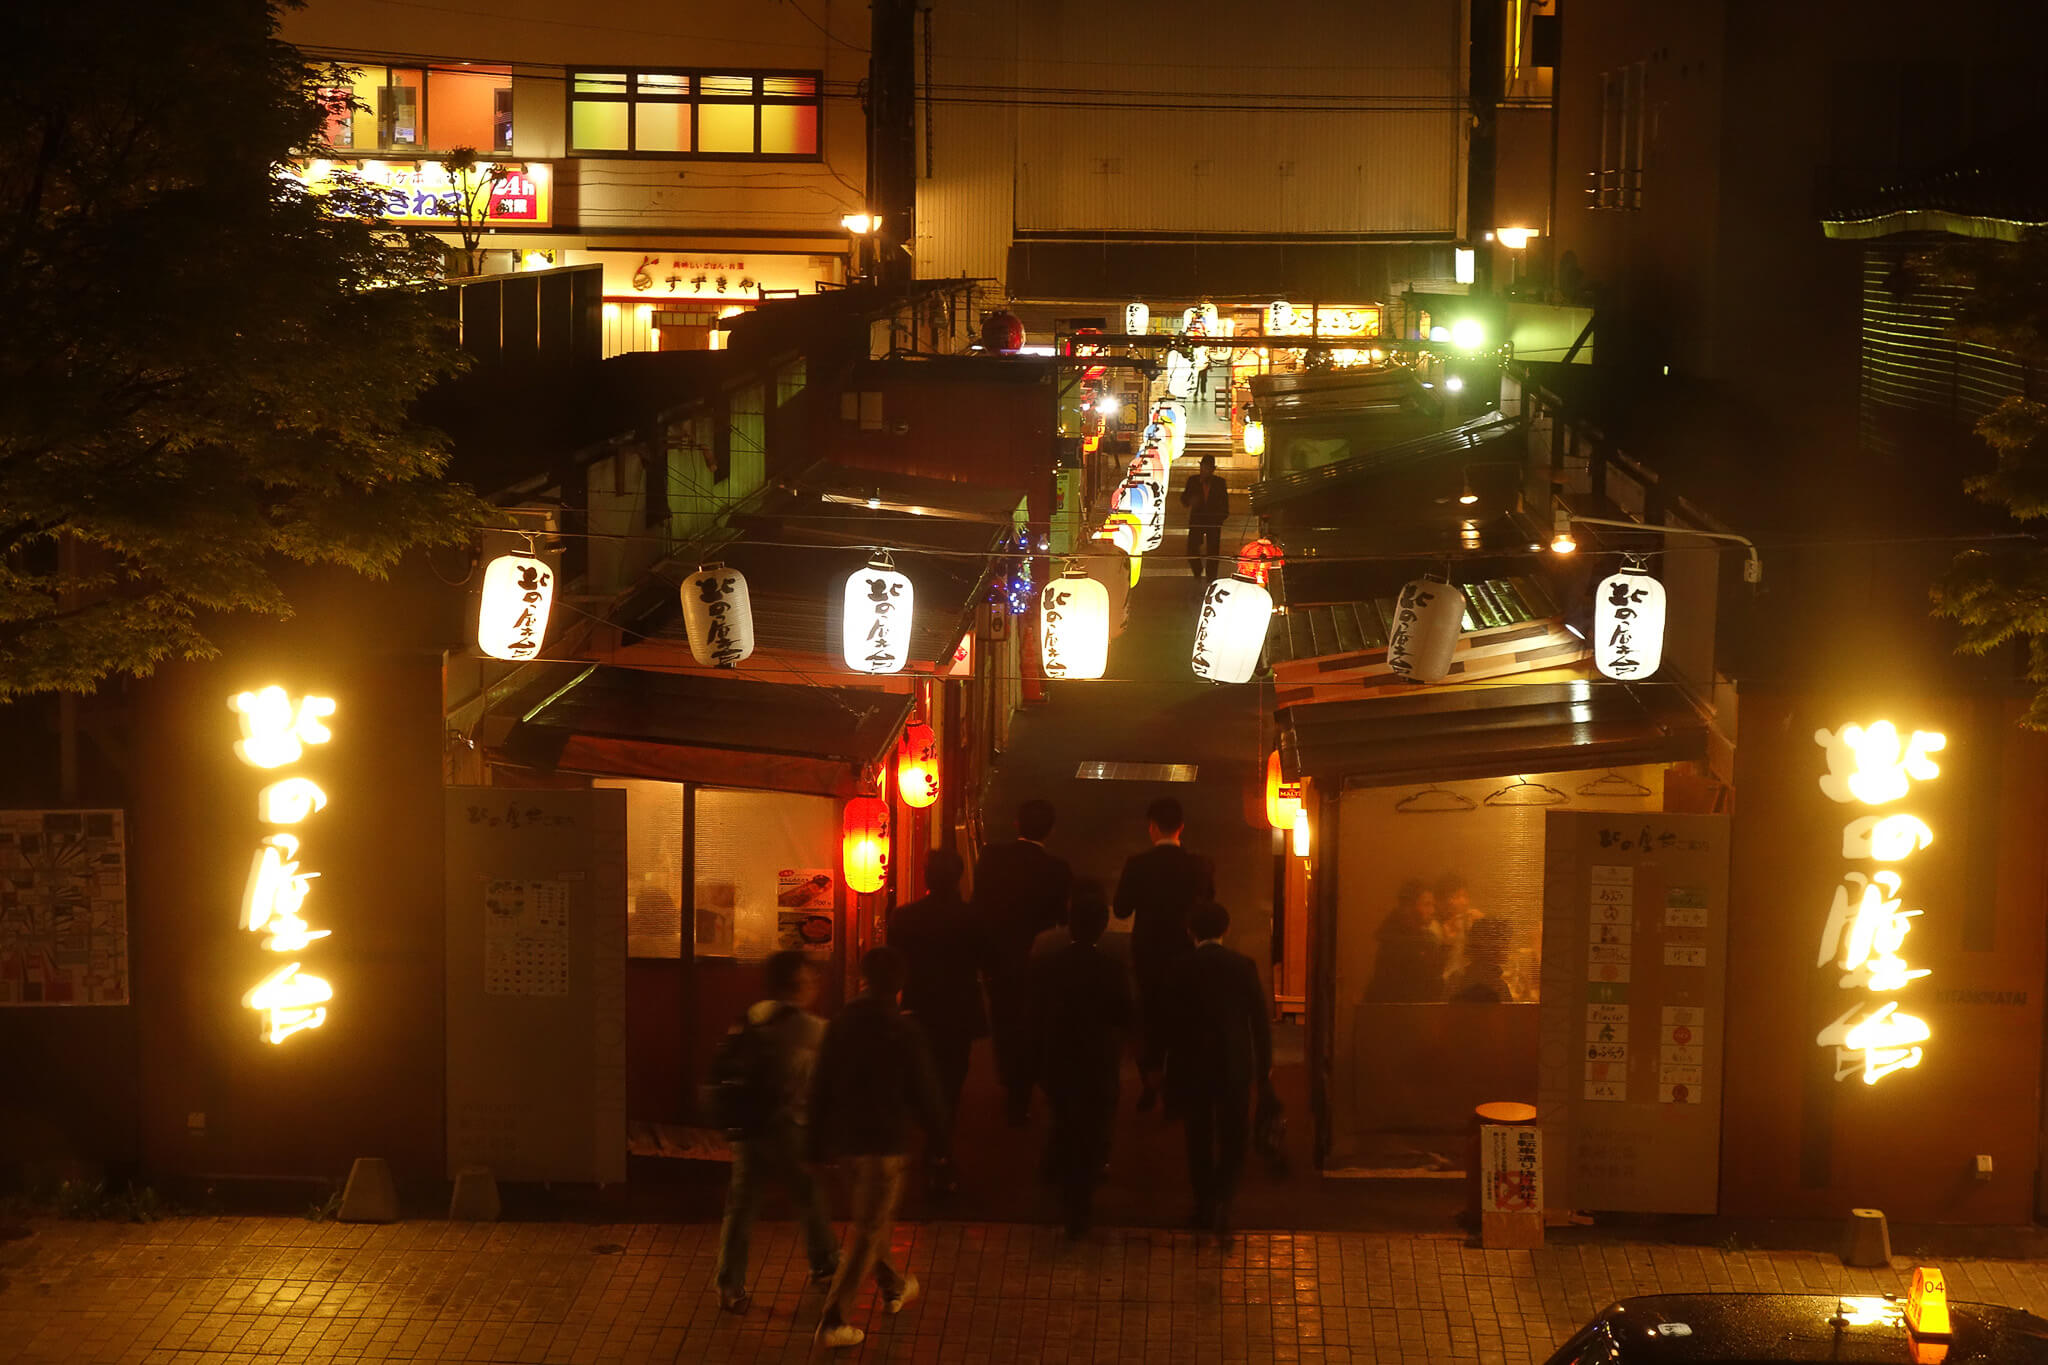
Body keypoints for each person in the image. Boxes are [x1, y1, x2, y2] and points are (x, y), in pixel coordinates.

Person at [808, 946, 948, 1350]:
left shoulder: (841, 1023)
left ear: (863, 979)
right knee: (870, 1230)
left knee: (874, 1219)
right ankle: (834, 1320)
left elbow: (821, 1085)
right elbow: (926, 1092)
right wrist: (940, 1143)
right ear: (901, 986)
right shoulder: (903, 1029)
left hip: (847, 1143)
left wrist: (816, 1142)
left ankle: (894, 1287)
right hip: (885, 1143)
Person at [712, 951, 838, 1315]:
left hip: (748, 1124)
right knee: (808, 1193)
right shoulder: (809, 1027)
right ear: (798, 984)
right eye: (811, 979)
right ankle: (825, 1262)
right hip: (785, 1126)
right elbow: (828, 1068)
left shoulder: (754, 1014)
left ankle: (729, 1284)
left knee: (741, 1206)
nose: (815, 984)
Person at [1163, 902, 1273, 1244]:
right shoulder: (1243, 966)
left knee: (1198, 1135)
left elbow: (1168, 1020)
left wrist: (1160, 1064)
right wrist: (1264, 1066)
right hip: (1234, 1060)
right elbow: (1259, 1019)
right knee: (1232, 1133)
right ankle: (1226, 1196)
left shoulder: (1181, 967)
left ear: (1190, 931)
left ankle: (1203, 1204)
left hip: (1192, 1062)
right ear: (1226, 929)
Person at [1028, 881, 1133, 1238]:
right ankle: (1085, 1191)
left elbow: (1034, 1012)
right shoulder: (1112, 967)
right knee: (1096, 1122)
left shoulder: (1049, 964)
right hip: (1099, 1057)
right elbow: (1125, 1014)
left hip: (1059, 1054)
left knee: (1063, 1116)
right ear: (1102, 927)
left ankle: (1064, 1181)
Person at [888, 847, 987, 1191]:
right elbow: (984, 963)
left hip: (918, 1009)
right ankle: (939, 1150)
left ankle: (933, 1144)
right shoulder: (973, 917)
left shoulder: (904, 917)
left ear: (927, 876)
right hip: (959, 1011)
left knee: (917, 1077)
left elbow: (895, 964)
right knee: (951, 1082)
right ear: (958, 877)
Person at [973, 799, 1073, 1125]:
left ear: (1017, 824)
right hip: (1037, 960)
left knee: (1004, 1023)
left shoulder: (990, 858)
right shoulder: (1057, 870)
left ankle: (1011, 1084)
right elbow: (1060, 918)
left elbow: (980, 905)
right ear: (1052, 830)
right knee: (1034, 1024)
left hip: (998, 958)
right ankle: (1025, 1087)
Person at [1113, 796, 1214, 1109]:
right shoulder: (1199, 866)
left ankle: (1150, 1082)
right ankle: (1178, 1089)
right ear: (1181, 827)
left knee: (1151, 1017)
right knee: (1184, 1018)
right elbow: (1209, 907)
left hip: (1149, 951)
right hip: (1187, 951)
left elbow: (1120, 909)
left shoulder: (1137, 865)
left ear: (1152, 828)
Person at [1363, 880, 1447, 1003]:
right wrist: (1445, 945)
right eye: (1427, 905)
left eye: (1433, 905)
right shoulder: (1399, 940)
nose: (1432, 911)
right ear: (1408, 907)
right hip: (1400, 1011)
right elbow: (1428, 981)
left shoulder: (1415, 936)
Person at [1431, 872, 1484, 992]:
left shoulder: (1465, 923)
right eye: (1456, 896)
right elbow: (1435, 971)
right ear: (1440, 901)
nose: (1464, 902)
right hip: (1441, 991)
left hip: (1463, 988)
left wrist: (1482, 927)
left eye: (1465, 896)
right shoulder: (1433, 928)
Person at [1179, 454, 1230, 581]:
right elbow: (1184, 499)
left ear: (1212, 469)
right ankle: (1197, 570)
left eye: (1207, 468)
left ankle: (1211, 576)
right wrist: (1191, 500)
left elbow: (1225, 504)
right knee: (1192, 548)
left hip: (1213, 521)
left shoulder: (1219, 483)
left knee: (1213, 551)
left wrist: (1219, 519)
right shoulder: (1193, 481)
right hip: (1197, 520)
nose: (1204, 470)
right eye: (1203, 467)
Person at [1449, 916, 1515, 1004]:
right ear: (1492, 946)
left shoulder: (1457, 978)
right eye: (1505, 941)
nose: (1508, 947)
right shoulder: (1495, 986)